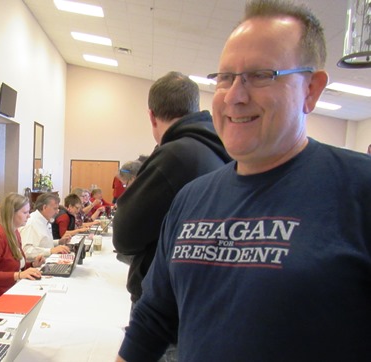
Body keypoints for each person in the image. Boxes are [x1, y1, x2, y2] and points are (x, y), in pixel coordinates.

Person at [117, 1, 371, 361]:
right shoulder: (192, 199)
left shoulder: (359, 189)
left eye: (261, 75)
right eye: (225, 77)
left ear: (311, 90)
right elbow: (154, 318)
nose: (235, 96)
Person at [113, 70, 230, 308]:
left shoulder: (175, 156)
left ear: (152, 116)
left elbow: (124, 236)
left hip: (164, 305)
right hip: (201, 294)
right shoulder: (218, 150)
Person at [0, 193, 44, 309]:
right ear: (12, 213)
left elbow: (12, 266)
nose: (29, 216)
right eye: (25, 212)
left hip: (9, 289)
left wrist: (32, 265)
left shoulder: (15, 232)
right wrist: (19, 275)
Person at [19, 192, 71, 260]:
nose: (57, 211)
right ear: (44, 207)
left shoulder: (46, 220)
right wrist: (50, 251)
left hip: (47, 261)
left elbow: (43, 243)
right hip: (35, 267)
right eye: (55, 208)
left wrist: (59, 242)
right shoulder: (31, 223)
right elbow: (26, 251)